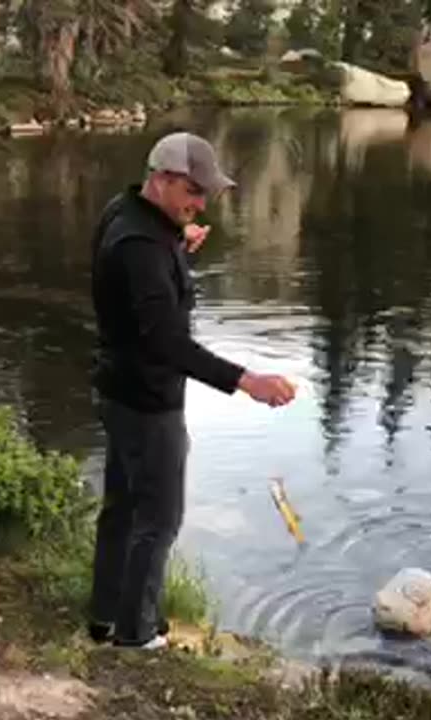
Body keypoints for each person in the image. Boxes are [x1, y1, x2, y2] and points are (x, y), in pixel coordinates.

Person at [87, 131, 296, 650]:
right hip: (146, 400)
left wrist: (177, 247)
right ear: (162, 179)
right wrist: (246, 381)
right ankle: (136, 635)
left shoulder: (126, 213)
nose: (201, 204)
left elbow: (139, 290)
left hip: (117, 388)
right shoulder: (142, 247)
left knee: (122, 508)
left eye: (204, 194)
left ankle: (106, 615)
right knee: (158, 519)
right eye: (194, 191)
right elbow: (164, 341)